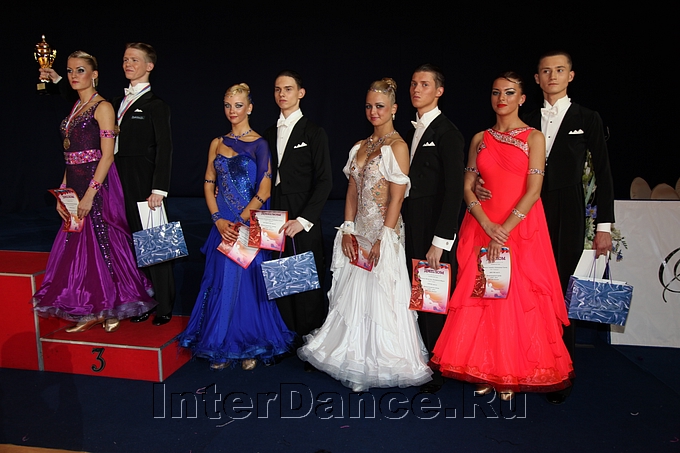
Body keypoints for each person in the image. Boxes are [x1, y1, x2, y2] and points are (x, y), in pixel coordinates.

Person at [477, 52, 615, 404]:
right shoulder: (520, 115)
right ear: (536, 79)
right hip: (521, 211)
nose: (553, 76)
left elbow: (603, 172)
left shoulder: (588, 117)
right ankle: (515, 363)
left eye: (560, 70)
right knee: (518, 288)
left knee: (558, 291)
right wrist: (478, 182)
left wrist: (604, 225)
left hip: (566, 211)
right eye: (545, 71)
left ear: (571, 75)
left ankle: (557, 372)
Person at [431, 72, 574, 401]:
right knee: (484, 298)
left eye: (509, 93)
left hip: (519, 229)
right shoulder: (479, 138)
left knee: (515, 301)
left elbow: (534, 191)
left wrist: (503, 231)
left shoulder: (534, 137)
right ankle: (486, 368)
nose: (502, 98)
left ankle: (511, 372)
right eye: (496, 92)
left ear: (522, 98)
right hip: (481, 226)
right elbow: (467, 187)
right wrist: (486, 224)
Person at [297, 78, 432, 391]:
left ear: (394, 109)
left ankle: (379, 360)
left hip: (384, 233)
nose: (374, 112)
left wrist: (385, 237)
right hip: (358, 232)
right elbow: (352, 191)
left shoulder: (398, 147)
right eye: (369, 106)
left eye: (380, 106)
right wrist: (347, 228)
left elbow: (397, 198)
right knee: (351, 295)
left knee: (382, 298)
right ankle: (349, 352)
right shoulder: (360, 146)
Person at [40, 43, 175, 326]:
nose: (128, 64)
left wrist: (159, 189)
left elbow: (165, 147)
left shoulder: (157, 105)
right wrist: (56, 79)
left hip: (143, 180)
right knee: (127, 240)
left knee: (154, 239)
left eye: (135, 60)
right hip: (115, 178)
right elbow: (80, 95)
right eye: (125, 59)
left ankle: (165, 304)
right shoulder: (114, 101)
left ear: (149, 66)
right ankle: (142, 299)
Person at [178, 83, 294, 370]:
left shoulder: (260, 144)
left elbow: (264, 190)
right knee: (219, 280)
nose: (232, 111)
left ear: (250, 108)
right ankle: (219, 341)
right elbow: (208, 183)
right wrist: (217, 219)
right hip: (222, 223)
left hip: (247, 222)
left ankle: (250, 343)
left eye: (238, 105)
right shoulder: (216, 143)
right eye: (228, 105)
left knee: (248, 285)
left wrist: (241, 221)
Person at [402, 64, 465, 393]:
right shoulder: (411, 129)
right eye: (414, 84)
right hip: (411, 224)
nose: (416, 89)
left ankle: (439, 367)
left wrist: (441, 240)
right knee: (417, 294)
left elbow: (454, 191)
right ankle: (424, 357)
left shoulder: (447, 132)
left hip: (434, 228)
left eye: (424, 84)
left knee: (433, 298)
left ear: (439, 91)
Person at [262, 70, 333, 357]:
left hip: (303, 215)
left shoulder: (313, 132)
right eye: (277, 89)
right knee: (279, 274)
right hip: (274, 213)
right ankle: (286, 336)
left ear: (300, 93)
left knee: (306, 278)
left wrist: (303, 220)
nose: (282, 94)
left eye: (288, 89)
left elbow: (325, 181)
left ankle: (311, 341)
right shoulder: (268, 133)